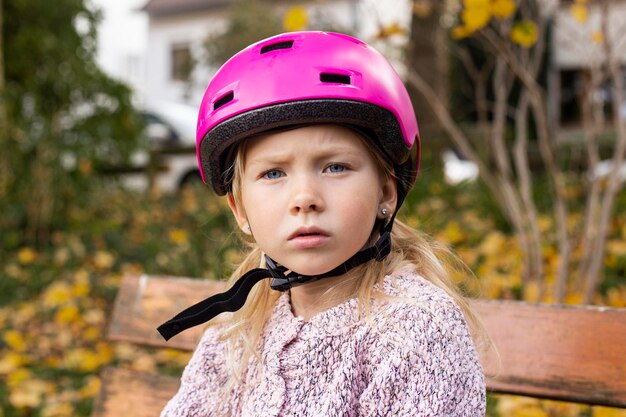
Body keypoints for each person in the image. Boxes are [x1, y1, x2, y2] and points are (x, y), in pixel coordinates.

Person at [158, 31, 486, 417]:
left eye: (335, 167)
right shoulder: (236, 335)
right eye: (274, 173)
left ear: (386, 192)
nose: (305, 198)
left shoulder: (416, 330)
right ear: (239, 209)